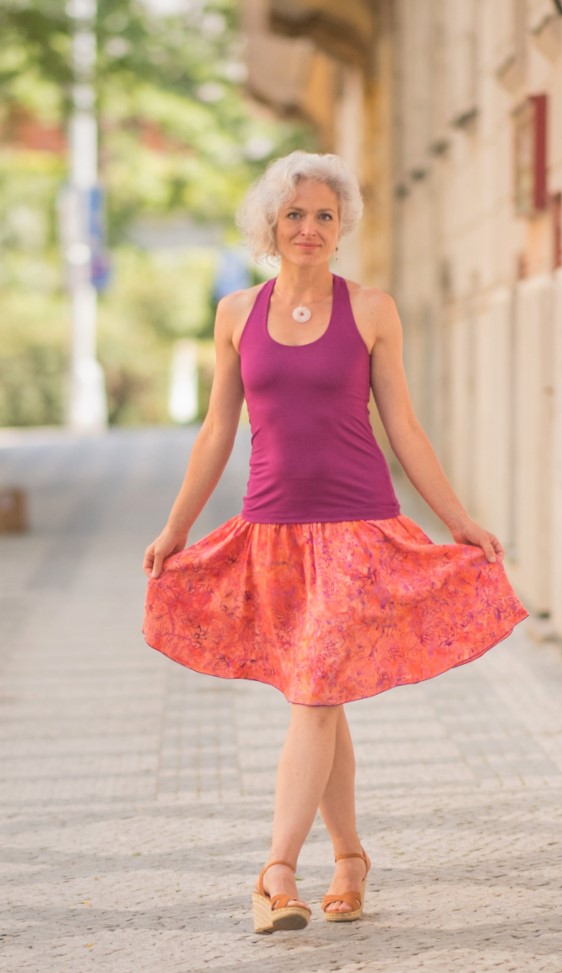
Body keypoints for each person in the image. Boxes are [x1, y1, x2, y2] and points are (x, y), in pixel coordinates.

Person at [142, 151, 527, 935]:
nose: (310, 228)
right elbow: (217, 430)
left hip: (357, 530)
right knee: (322, 696)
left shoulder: (372, 310)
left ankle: (276, 871)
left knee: (315, 690)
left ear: (342, 224)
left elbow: (404, 426)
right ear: (270, 226)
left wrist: (457, 519)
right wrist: (176, 526)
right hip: (272, 534)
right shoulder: (235, 314)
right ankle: (349, 857)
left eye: (324, 214)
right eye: (295, 214)